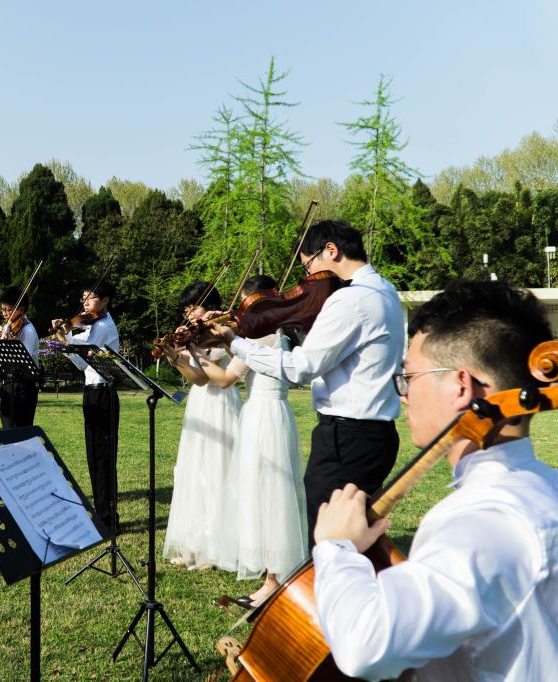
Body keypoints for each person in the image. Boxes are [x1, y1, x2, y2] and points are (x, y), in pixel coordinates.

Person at [312, 280, 558, 680]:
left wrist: (337, 548)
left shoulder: (476, 523)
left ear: (462, 385)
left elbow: (364, 647)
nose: (403, 395)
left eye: (409, 377)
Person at [206, 220, 404, 546]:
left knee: (328, 543)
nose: (309, 278)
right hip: (376, 435)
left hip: (346, 436)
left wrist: (235, 341)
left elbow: (301, 367)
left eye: (309, 265)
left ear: (331, 250)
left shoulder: (349, 300)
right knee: (358, 539)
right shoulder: (386, 290)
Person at [211, 275, 307, 604]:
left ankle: (274, 577)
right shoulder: (277, 332)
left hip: (263, 416)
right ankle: (273, 572)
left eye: (245, 301)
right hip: (276, 414)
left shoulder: (263, 336)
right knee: (273, 490)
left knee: (268, 491)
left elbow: (227, 374)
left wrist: (221, 341)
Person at [160, 281, 244, 571]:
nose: (189, 316)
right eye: (185, 310)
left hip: (221, 403)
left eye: (192, 308)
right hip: (200, 401)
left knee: (216, 469)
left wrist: (194, 348)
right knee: (193, 469)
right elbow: (196, 379)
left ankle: (216, 547)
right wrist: (174, 356)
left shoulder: (224, 328)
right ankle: (194, 545)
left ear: (209, 306)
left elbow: (217, 376)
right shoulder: (196, 334)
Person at [52, 280, 121, 532]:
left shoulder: (103, 326)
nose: (85, 304)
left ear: (104, 302)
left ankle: (108, 517)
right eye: (83, 298)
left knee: (103, 457)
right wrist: (65, 335)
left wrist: (65, 338)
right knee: (94, 455)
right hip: (92, 392)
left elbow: (81, 363)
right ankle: (102, 513)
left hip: (104, 393)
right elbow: (78, 352)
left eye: (90, 299)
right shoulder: (92, 326)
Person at [0, 286, 40, 428]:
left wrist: (6, 344)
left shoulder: (27, 331)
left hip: (23, 387)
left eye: (9, 310)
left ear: (21, 309)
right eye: (3, 309)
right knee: (8, 431)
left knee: (19, 432)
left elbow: (20, 363)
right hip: (9, 385)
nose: (5, 314)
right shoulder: (8, 327)